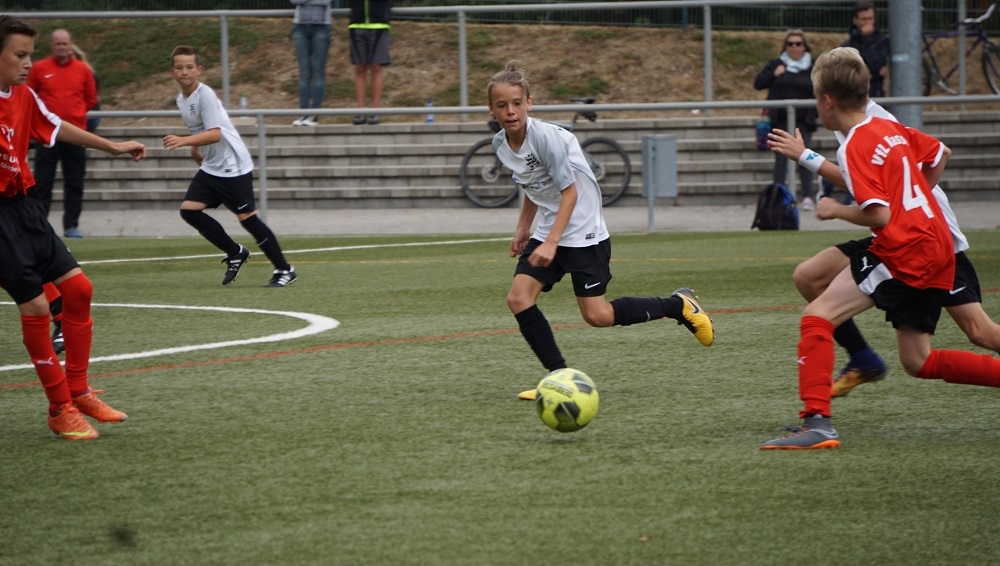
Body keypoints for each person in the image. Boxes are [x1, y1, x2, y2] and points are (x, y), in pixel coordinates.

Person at [760, 47, 1000, 450]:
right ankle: (862, 362)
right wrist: (913, 197)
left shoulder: (857, 141)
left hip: (910, 246)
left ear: (827, 100)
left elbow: (880, 214)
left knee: (817, 317)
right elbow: (940, 152)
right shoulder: (883, 128)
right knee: (917, 360)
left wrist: (836, 209)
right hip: (931, 242)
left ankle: (817, 423)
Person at [485, 61, 715, 401]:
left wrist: (551, 242)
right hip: (550, 228)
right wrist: (523, 227)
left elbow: (570, 193)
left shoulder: (545, 139)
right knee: (518, 299)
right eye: (502, 105)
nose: (510, 111)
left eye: (517, 103)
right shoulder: (500, 144)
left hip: (583, 230)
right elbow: (532, 184)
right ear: (491, 109)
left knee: (598, 315)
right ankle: (560, 379)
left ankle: (677, 305)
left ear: (529, 103)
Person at [0, 15, 146, 440]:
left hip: (24, 207)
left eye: (30, 54)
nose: (29, 63)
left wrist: (112, 146)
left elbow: (56, 126)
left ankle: (79, 391)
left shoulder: (24, 95)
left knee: (79, 290)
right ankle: (58, 407)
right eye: (20, 55)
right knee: (36, 308)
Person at [164, 46, 297, 288]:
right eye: (179, 67)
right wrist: (194, 149)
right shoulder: (181, 99)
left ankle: (284, 269)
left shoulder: (205, 95)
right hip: (213, 165)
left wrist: (183, 141)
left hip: (232, 165)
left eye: (190, 67)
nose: (184, 72)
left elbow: (215, 134)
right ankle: (235, 251)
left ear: (199, 70)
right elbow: (200, 129)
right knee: (189, 211)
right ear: (172, 72)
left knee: (247, 218)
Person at [25, 28, 98, 239]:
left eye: (64, 44)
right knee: (42, 182)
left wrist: (75, 114)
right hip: (47, 135)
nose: (61, 47)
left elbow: (91, 99)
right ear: (52, 45)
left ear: (70, 44)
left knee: (75, 181)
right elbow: (28, 95)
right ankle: (40, 225)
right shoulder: (39, 68)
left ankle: (71, 225)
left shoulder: (83, 70)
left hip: (75, 134)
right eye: (58, 44)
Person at [753, 29, 819, 211]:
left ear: (805, 46)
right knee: (781, 160)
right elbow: (758, 83)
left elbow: (823, 87)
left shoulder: (813, 67)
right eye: (790, 44)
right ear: (785, 46)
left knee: (805, 158)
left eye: (798, 43)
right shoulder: (776, 64)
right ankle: (778, 196)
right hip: (780, 120)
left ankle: (807, 196)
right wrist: (774, 74)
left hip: (804, 120)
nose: (794, 47)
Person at [348, 0, 391, 126]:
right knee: (360, 68)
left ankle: (374, 110)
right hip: (357, 24)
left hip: (379, 24)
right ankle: (360, 110)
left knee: (376, 66)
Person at [290, 0, 331, 127]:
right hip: (300, 27)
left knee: (318, 72)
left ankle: (314, 114)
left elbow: (326, 1)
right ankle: (303, 112)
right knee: (304, 73)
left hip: (321, 27)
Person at [841, 1, 890, 98]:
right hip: (852, 95)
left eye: (870, 19)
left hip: (875, 94)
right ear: (855, 20)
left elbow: (876, 64)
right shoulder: (847, 45)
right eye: (863, 19)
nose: (867, 23)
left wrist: (866, 40)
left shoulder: (882, 41)